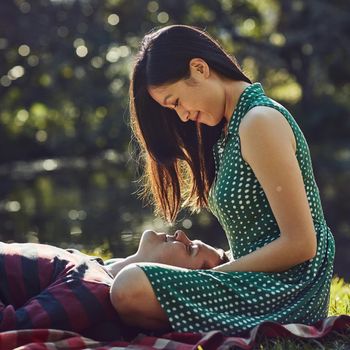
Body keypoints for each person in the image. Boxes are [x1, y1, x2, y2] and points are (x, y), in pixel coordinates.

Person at [110, 24, 336, 336]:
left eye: (176, 102)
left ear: (199, 68)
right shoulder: (228, 132)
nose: (183, 116)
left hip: (289, 290)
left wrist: (217, 274)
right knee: (126, 277)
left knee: (130, 286)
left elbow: (301, 244)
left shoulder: (259, 121)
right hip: (257, 281)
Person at [0, 230, 227, 335]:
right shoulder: (97, 267)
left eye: (190, 248)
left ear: (174, 278)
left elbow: (13, 329)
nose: (180, 234)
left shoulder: (95, 287)